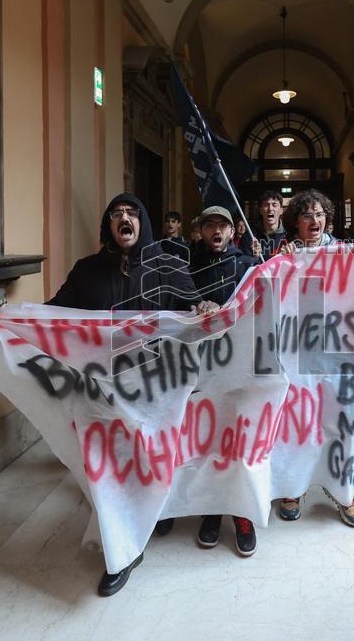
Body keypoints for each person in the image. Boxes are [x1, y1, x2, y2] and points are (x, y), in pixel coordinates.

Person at [46, 193, 212, 596]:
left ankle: (155, 512)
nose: (125, 217)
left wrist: (205, 306)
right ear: (108, 226)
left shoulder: (169, 268)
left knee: (151, 460)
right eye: (117, 213)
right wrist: (21, 319)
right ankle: (121, 551)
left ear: (144, 224)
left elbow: (193, 309)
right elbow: (57, 313)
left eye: (133, 212)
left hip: (154, 388)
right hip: (100, 391)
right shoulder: (86, 271)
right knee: (111, 470)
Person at [276, 189, 354, 527]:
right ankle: (292, 486)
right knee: (297, 420)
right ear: (296, 221)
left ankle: (342, 489)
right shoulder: (284, 255)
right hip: (295, 351)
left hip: (337, 350)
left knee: (339, 418)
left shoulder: (345, 252)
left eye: (320, 214)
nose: (315, 220)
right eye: (307, 215)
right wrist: (278, 263)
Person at [189, 206, 264, 556]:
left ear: (233, 232)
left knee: (240, 440)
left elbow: (265, 307)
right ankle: (212, 508)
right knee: (207, 440)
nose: (216, 231)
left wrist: (265, 270)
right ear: (200, 232)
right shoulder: (187, 267)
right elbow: (176, 302)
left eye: (222, 225)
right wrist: (194, 306)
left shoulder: (248, 266)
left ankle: (241, 513)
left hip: (241, 365)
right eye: (209, 226)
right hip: (202, 369)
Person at [249, 190, 287, 257]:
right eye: (266, 205)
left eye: (274, 205)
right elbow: (242, 265)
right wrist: (254, 257)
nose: (270, 209)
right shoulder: (250, 236)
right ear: (260, 210)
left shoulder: (290, 235)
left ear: (281, 210)